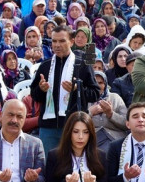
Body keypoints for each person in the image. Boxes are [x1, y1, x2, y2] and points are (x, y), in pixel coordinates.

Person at [30, 25, 99, 155]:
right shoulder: (45, 66)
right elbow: (34, 95)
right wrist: (41, 89)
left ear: (71, 42)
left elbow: (95, 94)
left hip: (74, 125)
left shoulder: (82, 64)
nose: (57, 45)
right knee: (50, 166)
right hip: (48, 126)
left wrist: (76, 89)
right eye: (54, 41)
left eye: (62, 41)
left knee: (74, 164)